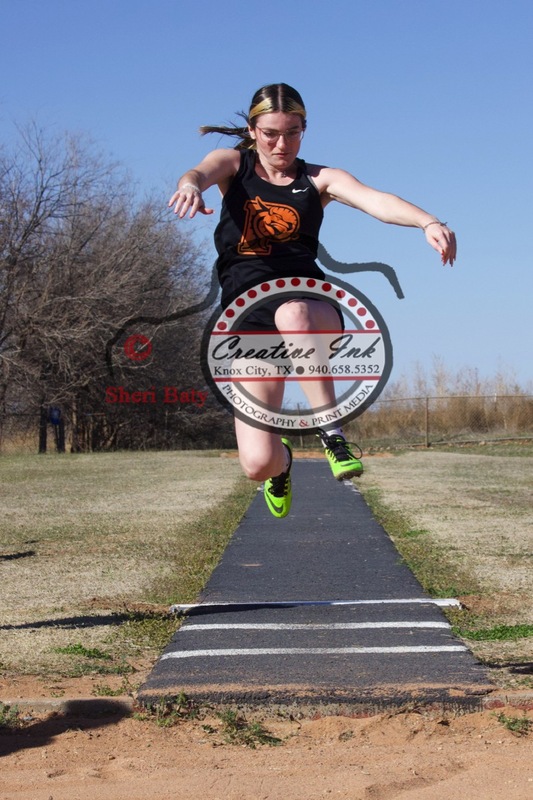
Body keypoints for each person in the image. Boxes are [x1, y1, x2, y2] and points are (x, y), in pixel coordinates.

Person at [169, 83, 456, 519]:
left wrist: (427, 222)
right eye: (270, 134)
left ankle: (332, 434)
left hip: (310, 303)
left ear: (304, 130)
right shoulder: (234, 166)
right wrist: (191, 186)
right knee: (255, 463)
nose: (281, 144)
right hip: (247, 319)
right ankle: (282, 462)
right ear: (252, 130)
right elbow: (199, 171)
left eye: (292, 133)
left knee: (294, 310)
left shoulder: (319, 179)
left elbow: (377, 201)